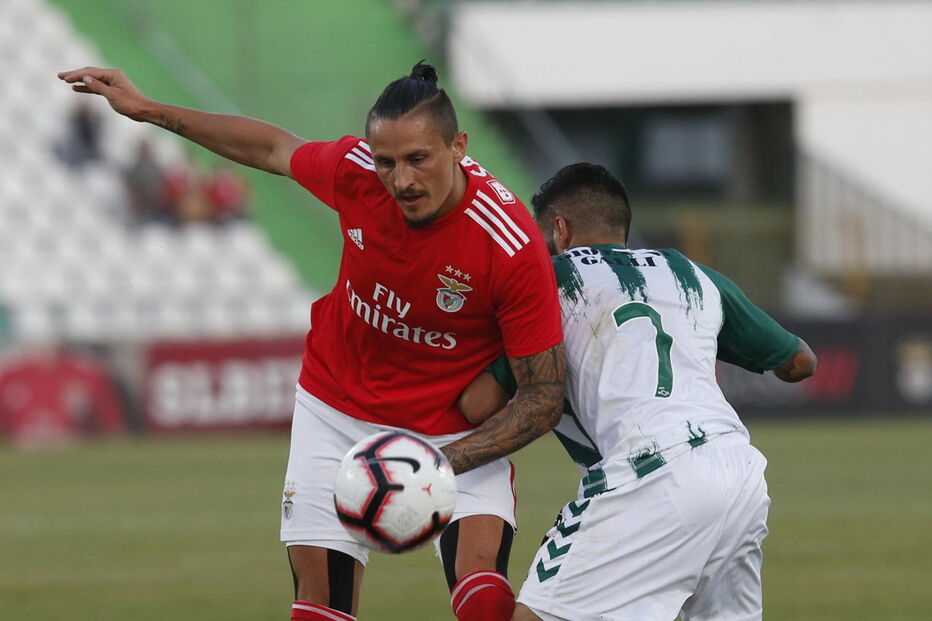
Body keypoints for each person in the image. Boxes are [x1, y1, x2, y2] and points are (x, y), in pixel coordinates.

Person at [57, 62, 566, 621]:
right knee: (318, 612)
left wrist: (439, 461)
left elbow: (544, 396)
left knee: (485, 604)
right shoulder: (356, 174)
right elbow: (274, 148)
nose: (401, 180)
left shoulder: (510, 244)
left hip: (452, 438)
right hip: (337, 414)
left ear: (458, 147)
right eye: (387, 162)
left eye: (418, 159)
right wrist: (150, 110)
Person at [459, 163, 817, 620]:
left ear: (560, 230)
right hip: (738, 471)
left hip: (647, 472)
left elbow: (478, 404)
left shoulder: (547, 279)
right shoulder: (690, 273)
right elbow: (800, 362)